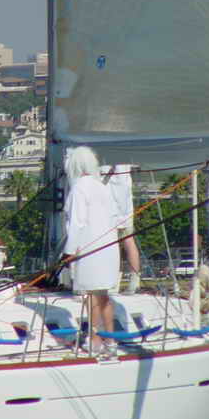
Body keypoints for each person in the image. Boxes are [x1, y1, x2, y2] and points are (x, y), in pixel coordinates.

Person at [61, 147, 120, 355]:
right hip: (109, 247)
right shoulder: (102, 187)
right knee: (103, 295)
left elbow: (77, 223)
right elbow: (113, 217)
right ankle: (110, 341)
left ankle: (94, 341)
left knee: (91, 294)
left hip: (89, 247)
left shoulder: (79, 188)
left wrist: (69, 253)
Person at [104, 164, 141, 294]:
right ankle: (134, 281)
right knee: (128, 240)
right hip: (124, 198)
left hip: (111, 199)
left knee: (111, 242)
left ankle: (113, 282)